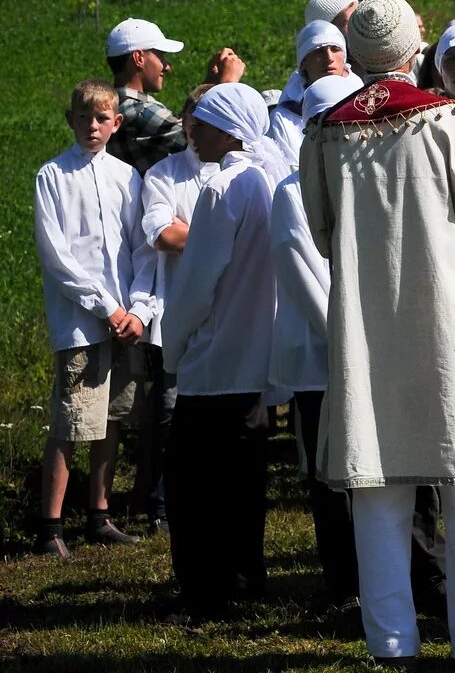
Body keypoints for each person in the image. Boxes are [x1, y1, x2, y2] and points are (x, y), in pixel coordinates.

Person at [300, 0, 455, 667]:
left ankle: (392, 640)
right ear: (415, 49)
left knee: (378, 492)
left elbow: (323, 233)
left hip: (366, 327)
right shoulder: (446, 123)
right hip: (444, 323)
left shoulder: (324, 131)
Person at [162, 83, 279, 617]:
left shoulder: (219, 188)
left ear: (229, 128)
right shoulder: (266, 182)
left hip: (212, 361)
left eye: (203, 125)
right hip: (255, 360)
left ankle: (203, 589)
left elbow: (195, 284)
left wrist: (174, 347)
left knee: (197, 489)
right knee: (243, 485)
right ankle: (244, 579)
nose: (194, 133)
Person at [33, 79, 157, 558]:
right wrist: (105, 307)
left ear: (116, 124)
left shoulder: (128, 177)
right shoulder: (53, 176)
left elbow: (144, 251)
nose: (92, 125)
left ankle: (99, 514)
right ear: (71, 120)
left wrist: (139, 310)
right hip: (82, 321)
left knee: (112, 418)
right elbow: (57, 257)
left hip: (125, 321)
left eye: (101, 118)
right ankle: (50, 527)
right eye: (83, 117)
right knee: (71, 420)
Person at [269, 75, 368, 608]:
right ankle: (342, 581)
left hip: (362, 348)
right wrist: (351, 341)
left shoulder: (358, 178)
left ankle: (370, 568)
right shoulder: (290, 191)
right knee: (328, 469)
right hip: (321, 355)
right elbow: (309, 280)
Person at [135, 84, 218, 538]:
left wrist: (196, 232)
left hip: (230, 309)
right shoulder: (163, 176)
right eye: (194, 116)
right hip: (178, 312)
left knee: (227, 407)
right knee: (171, 411)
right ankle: (162, 504)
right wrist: (226, 231)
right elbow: (163, 236)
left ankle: (213, 495)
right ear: (185, 122)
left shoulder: (245, 171)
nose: (198, 126)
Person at [105, 17, 245, 175]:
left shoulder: (120, 105)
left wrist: (210, 83)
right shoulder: (137, 111)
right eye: (161, 56)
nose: (167, 67)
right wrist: (227, 84)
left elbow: (182, 125)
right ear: (139, 58)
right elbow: (199, 138)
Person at [267, 20, 352, 172]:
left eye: (335, 49)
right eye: (319, 51)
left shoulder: (362, 94)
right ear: (303, 62)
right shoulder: (285, 118)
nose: (329, 58)